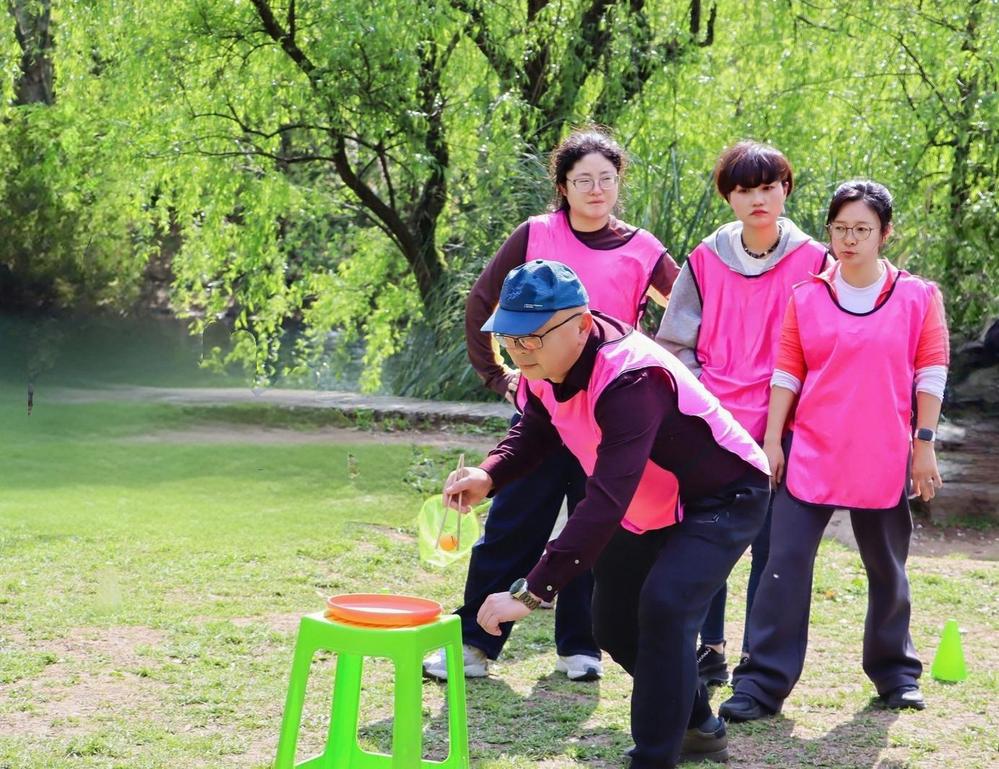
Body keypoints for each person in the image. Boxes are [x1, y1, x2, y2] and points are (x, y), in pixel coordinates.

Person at [444, 259, 771, 767]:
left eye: (530, 337)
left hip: (722, 496)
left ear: (580, 324)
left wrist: (532, 591)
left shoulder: (631, 379)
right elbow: (536, 429)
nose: (518, 350)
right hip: (648, 504)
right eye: (508, 337)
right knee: (613, 626)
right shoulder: (542, 367)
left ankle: (654, 757)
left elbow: (605, 500)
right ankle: (697, 725)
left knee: (664, 607)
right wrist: (489, 475)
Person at [424, 128, 679, 682]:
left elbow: (689, 309)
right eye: (583, 179)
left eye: (606, 179)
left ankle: (580, 647)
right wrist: (498, 376)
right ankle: (473, 644)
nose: (596, 189)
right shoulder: (536, 233)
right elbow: (482, 300)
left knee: (594, 525)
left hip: (611, 412)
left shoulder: (643, 248)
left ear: (619, 183)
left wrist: (671, 373)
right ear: (562, 186)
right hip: (542, 407)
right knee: (512, 525)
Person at [719, 180, 949, 722]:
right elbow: (787, 372)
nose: (849, 239)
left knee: (887, 569)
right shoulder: (807, 296)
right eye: (840, 228)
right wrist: (772, 441)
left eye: (862, 229)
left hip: (883, 454)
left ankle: (896, 674)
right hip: (810, 451)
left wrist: (924, 444)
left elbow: (931, 372)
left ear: (885, 234)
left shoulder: (918, 297)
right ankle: (760, 684)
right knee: (783, 565)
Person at [656, 141, 830, 684]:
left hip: (785, 424)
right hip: (714, 424)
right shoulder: (705, 259)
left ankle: (757, 659)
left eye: (768, 187)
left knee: (772, 549)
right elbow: (674, 343)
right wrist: (703, 399)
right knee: (709, 540)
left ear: (786, 190)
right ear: (728, 197)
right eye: (744, 190)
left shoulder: (816, 260)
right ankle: (708, 648)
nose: (758, 199)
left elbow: (828, 343)